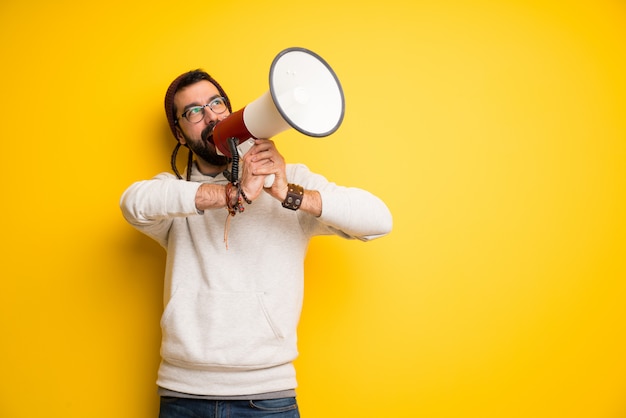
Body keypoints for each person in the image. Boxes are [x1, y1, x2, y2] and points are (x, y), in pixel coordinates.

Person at [120, 69, 393, 417]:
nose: (210, 115)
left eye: (216, 103)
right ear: (180, 133)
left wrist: (287, 193)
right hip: (182, 394)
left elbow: (379, 219)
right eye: (193, 111)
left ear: (232, 114)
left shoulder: (290, 181)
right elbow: (133, 203)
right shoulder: (177, 192)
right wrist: (228, 193)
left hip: (267, 398)